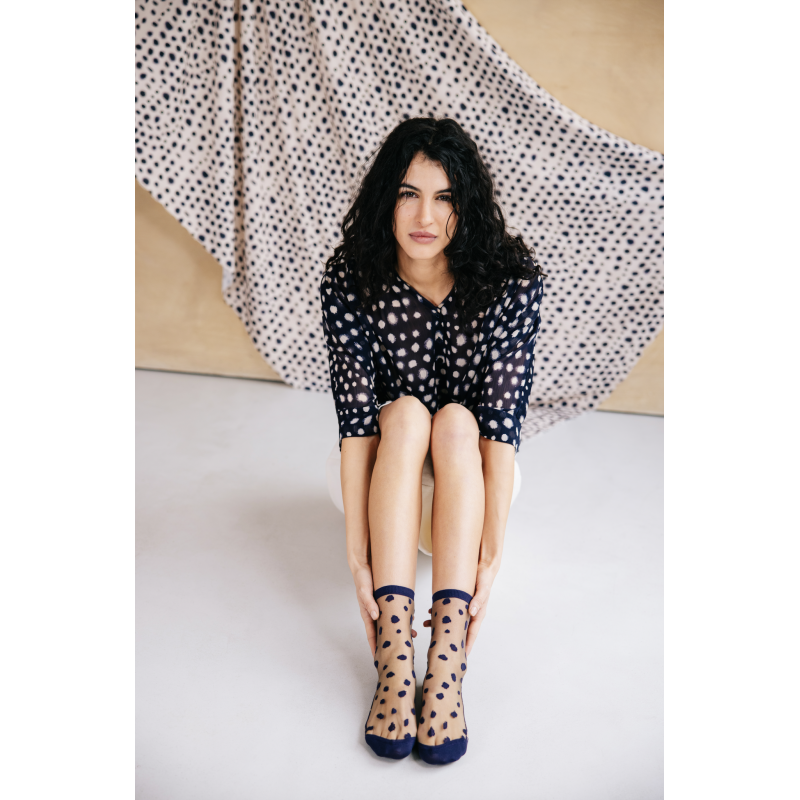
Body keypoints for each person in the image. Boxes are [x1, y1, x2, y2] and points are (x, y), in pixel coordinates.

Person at [320, 117, 544, 764]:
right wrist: (357, 562)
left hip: (474, 469)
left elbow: (501, 428)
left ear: (465, 205)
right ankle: (395, 662)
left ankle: (445, 666)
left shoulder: (509, 282)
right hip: (383, 468)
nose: (425, 216)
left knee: (457, 421)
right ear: (385, 198)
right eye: (408, 194)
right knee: (407, 415)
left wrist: (490, 562)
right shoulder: (350, 278)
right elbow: (356, 425)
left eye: (444, 197)